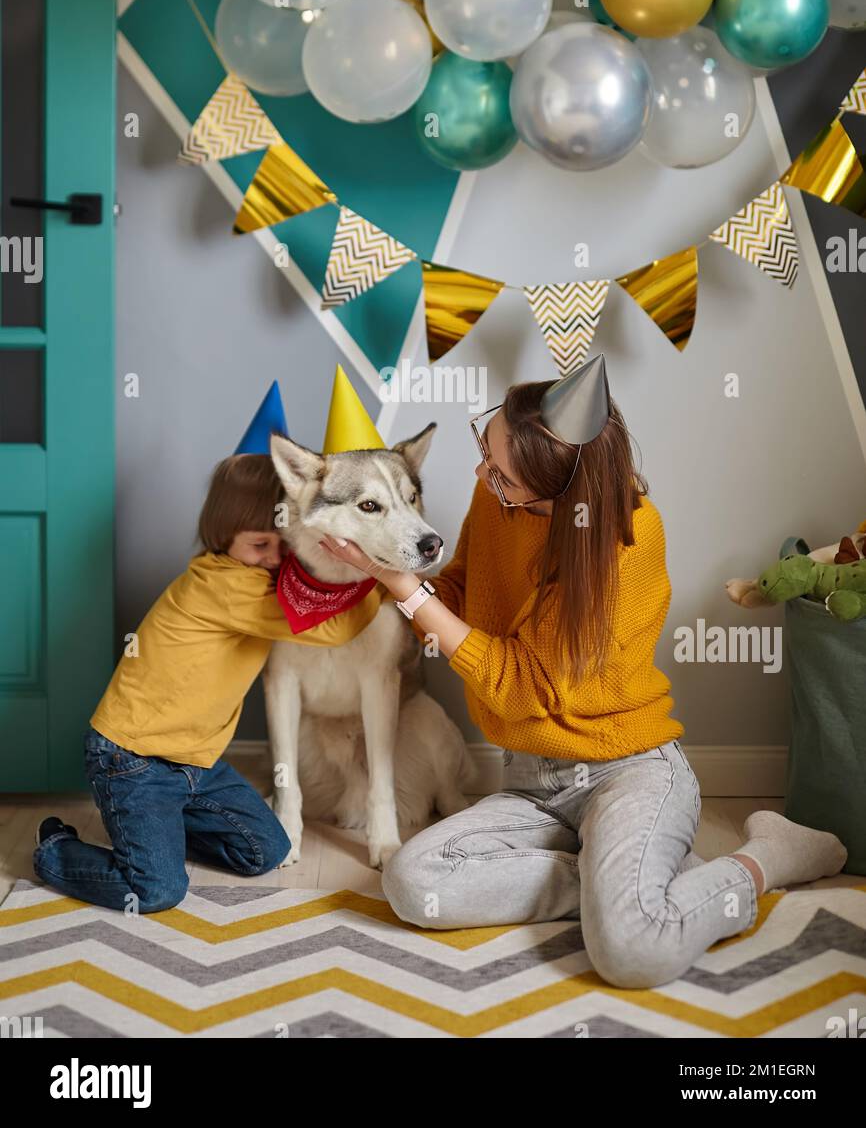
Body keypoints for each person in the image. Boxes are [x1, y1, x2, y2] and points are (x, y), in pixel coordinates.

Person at [318, 355, 848, 989]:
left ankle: (769, 856)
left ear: (557, 488)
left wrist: (405, 589)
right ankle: (616, 884)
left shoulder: (628, 542)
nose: (483, 477)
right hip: (532, 784)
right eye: (484, 452)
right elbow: (457, 594)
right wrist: (377, 567)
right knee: (413, 881)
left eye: (503, 475)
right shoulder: (498, 501)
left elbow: (523, 689)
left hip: (627, 770)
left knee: (633, 954)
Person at [32, 454, 386, 913]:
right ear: (223, 538)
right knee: (156, 891)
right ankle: (54, 848)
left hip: (197, 763)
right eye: (260, 545)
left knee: (266, 852)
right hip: (133, 757)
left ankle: (157, 835)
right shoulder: (223, 587)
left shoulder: (257, 577)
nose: (274, 560)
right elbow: (333, 628)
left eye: (283, 546)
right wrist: (381, 573)